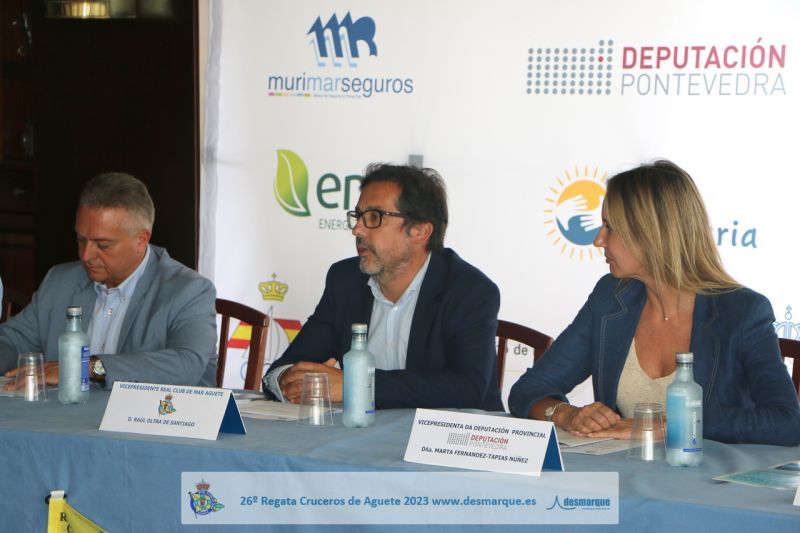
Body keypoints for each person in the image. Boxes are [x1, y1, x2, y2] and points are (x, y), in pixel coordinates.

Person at [509, 160, 800, 446]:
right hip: (628, 471)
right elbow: (529, 389)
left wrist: (673, 426)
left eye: (610, 227)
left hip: (715, 476)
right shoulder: (609, 297)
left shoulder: (743, 311)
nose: (598, 240)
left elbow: (786, 422)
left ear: (650, 234)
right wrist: (566, 414)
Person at [263, 163, 502, 410]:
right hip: (363, 429)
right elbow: (287, 366)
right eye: (358, 216)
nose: (357, 229)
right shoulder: (345, 280)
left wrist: (356, 385)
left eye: (374, 217)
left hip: (448, 433)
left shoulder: (469, 290)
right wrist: (284, 380)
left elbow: (467, 389)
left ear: (420, 231)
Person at [1, 173, 217, 390]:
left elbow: (186, 364)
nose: (86, 255)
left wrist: (87, 367)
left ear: (141, 240)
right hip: (64, 411)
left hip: (153, 411)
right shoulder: (60, 280)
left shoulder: (189, 290)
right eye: (81, 239)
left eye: (102, 245)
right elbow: (13, 340)